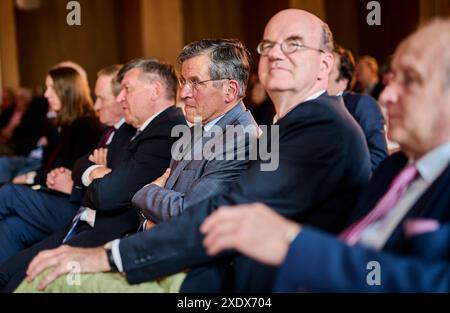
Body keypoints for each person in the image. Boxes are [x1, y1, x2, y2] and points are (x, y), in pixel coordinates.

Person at [15, 9, 371, 293]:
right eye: (268, 44)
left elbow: (215, 212)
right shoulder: (279, 126)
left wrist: (112, 253)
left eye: (293, 44)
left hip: (231, 280)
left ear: (325, 65)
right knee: (41, 267)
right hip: (194, 259)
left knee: (46, 279)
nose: (276, 52)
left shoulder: (319, 127)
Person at [201, 18, 450, 292]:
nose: (388, 95)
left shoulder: (334, 125)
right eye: (392, 80)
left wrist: (294, 244)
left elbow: (436, 283)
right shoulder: (393, 169)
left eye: (411, 80)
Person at [0, 59, 186, 291]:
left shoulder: (165, 130)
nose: (120, 98)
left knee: (18, 279)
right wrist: (98, 172)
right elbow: (81, 165)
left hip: (104, 232)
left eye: (126, 89)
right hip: (85, 220)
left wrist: (96, 177)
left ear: (155, 90)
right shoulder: (141, 128)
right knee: (7, 267)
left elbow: (109, 195)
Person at [132, 39, 258, 227]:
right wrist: (148, 221)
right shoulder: (197, 127)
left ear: (230, 91)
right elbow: (165, 209)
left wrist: (146, 192)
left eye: (196, 83)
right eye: (183, 81)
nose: (183, 93)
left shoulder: (242, 139)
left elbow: (190, 212)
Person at [0, 66, 103, 263]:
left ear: (66, 91)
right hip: (58, 195)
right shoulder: (67, 124)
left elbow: (70, 172)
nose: (46, 94)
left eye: (51, 88)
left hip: (75, 204)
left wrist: (34, 177)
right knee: (12, 226)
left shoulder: (85, 126)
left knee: (9, 193)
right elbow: (54, 166)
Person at [327, 44, 388, 171]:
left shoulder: (361, 104)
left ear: (344, 81)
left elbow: (378, 157)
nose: (319, 75)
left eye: (328, 71)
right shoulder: (306, 107)